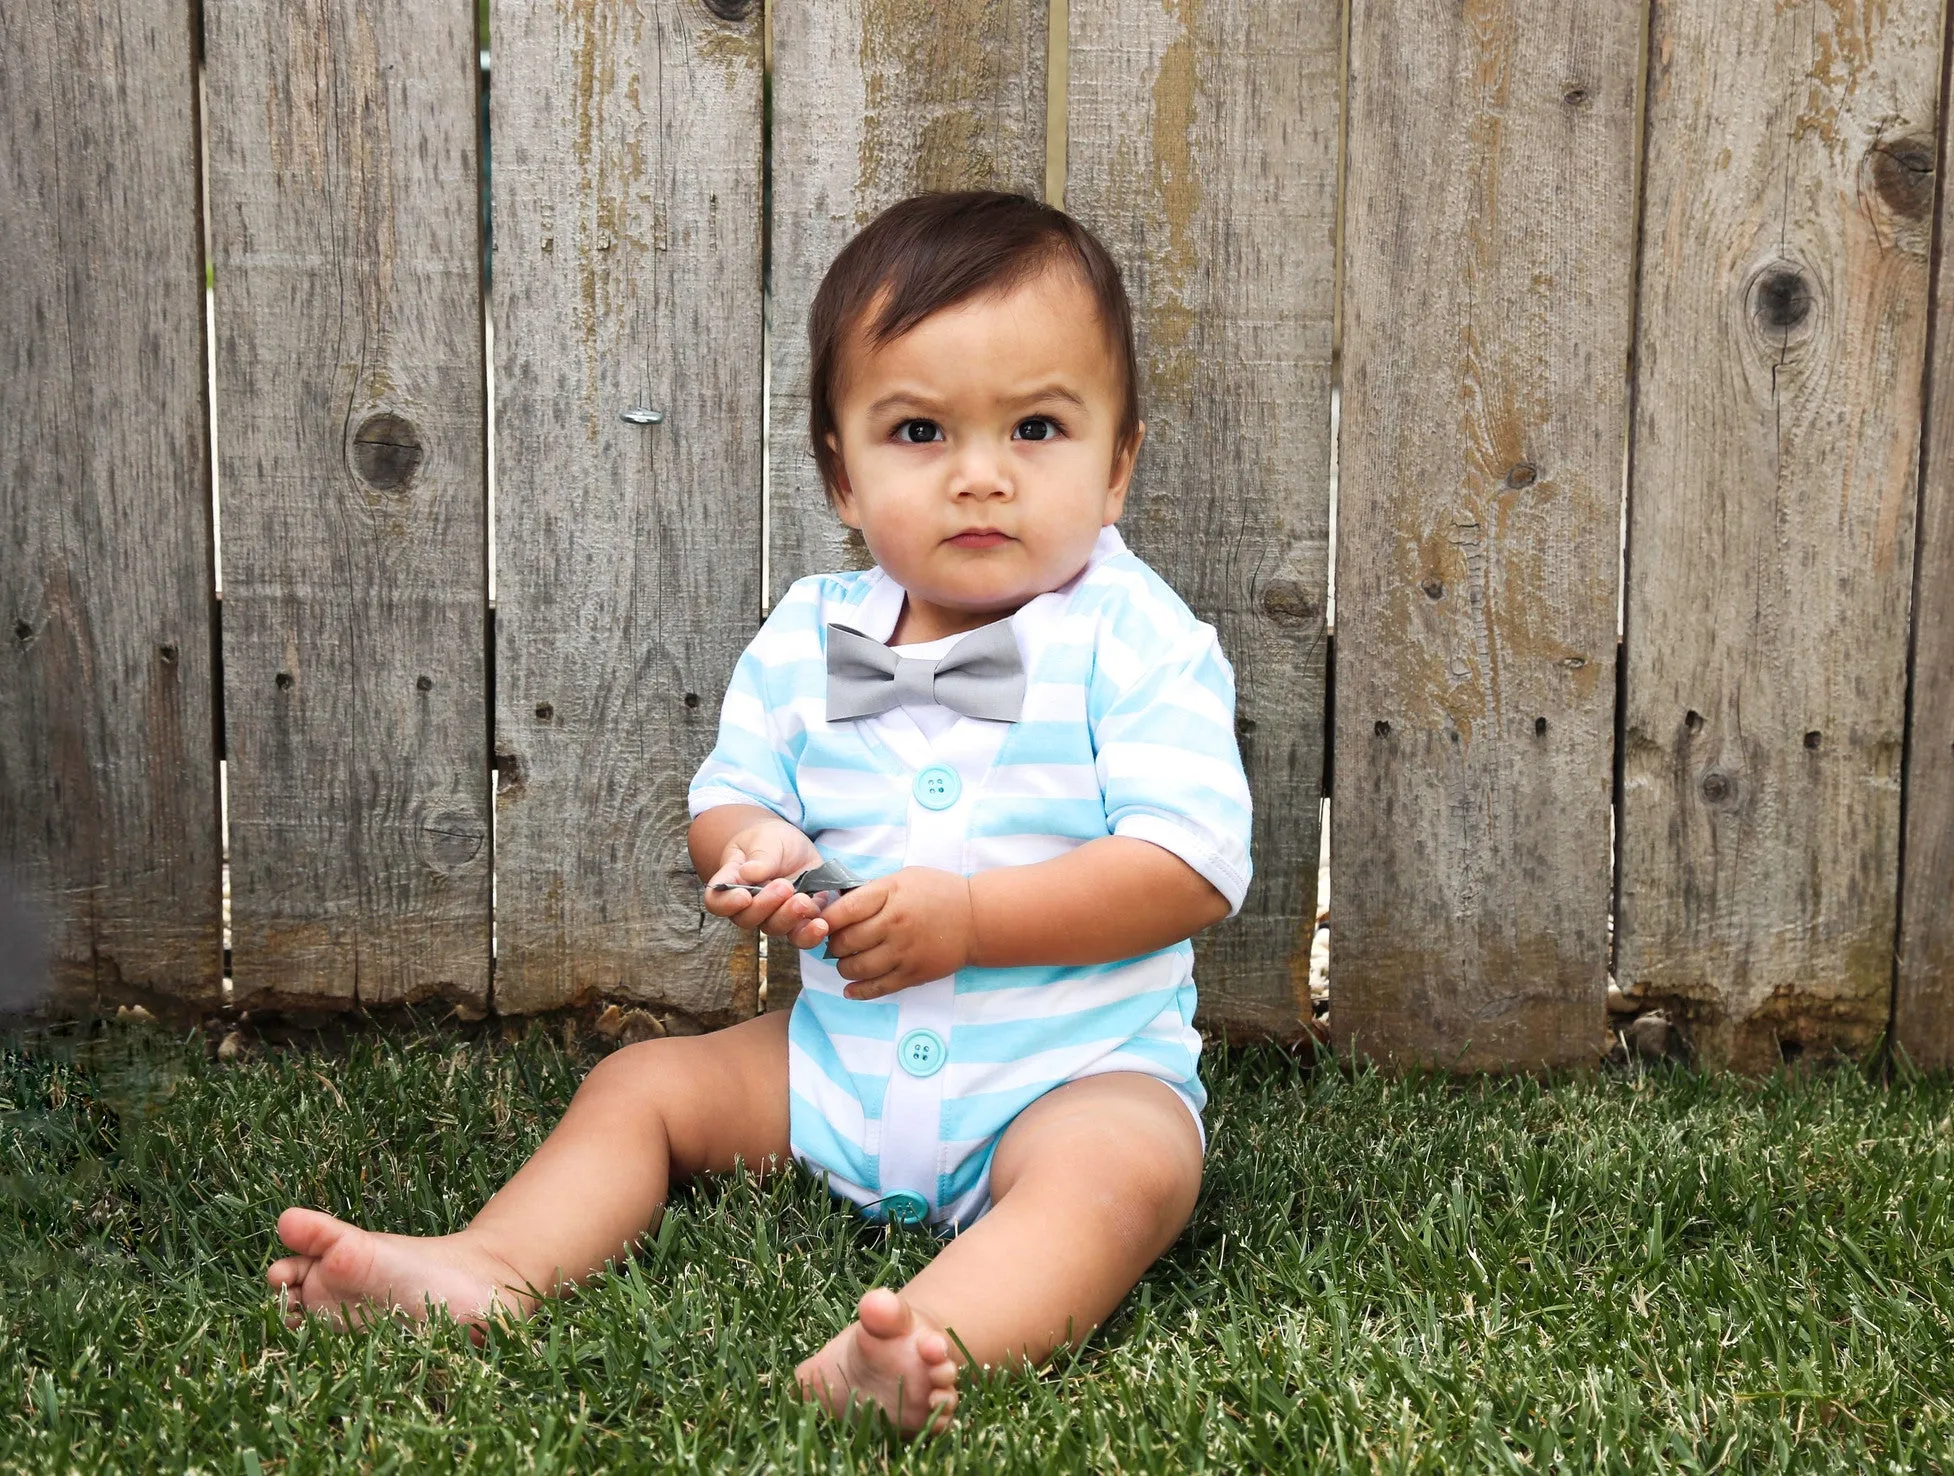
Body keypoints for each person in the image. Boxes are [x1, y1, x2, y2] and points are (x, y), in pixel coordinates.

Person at [265, 191, 1253, 1434]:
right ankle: (486, 1268)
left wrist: (970, 920)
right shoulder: (808, 637)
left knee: (1125, 1174)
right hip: (830, 1069)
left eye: (1039, 427)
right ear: (842, 473)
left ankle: (921, 1347)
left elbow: (1188, 868)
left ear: (1116, 468)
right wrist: (752, 849)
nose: (980, 475)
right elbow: (731, 800)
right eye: (918, 431)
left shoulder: (1140, 642)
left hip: (1068, 1073)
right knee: (641, 1087)